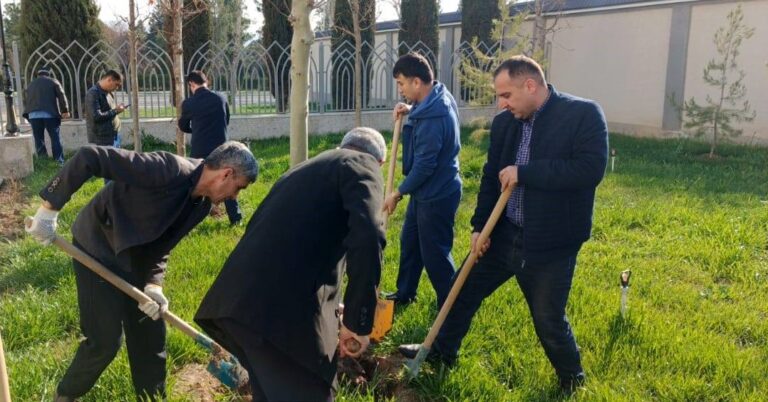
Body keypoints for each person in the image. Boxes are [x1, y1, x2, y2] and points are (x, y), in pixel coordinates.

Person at [397, 55, 609, 394]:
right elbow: (490, 178)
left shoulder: (582, 115)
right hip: (504, 232)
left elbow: (589, 169)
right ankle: (440, 353)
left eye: (506, 95)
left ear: (530, 85)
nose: (502, 103)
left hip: (550, 243)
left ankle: (572, 379)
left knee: (548, 319)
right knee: (460, 291)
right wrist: (480, 227)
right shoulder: (506, 123)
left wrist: (524, 173)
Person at [25, 141, 258, 402]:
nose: (235, 197)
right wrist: (48, 210)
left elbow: (163, 244)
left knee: (151, 337)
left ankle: (152, 399)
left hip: (136, 258)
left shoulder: (201, 206)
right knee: (104, 342)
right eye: (239, 188)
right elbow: (90, 156)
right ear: (226, 174)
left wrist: (154, 286)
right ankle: (65, 395)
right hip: (97, 248)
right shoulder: (167, 170)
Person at [195, 127, 387, 401]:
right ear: (379, 162)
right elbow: (368, 236)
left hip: (238, 307)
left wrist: (336, 307)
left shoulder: (303, 171)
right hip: (277, 319)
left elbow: (301, 244)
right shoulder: (362, 164)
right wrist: (358, 323)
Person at [381, 52, 462, 308]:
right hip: (425, 191)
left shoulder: (434, 118)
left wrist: (398, 192)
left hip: (437, 194)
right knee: (411, 243)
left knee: (435, 253)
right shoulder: (435, 96)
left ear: (417, 82)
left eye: (402, 84)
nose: (400, 90)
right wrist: (410, 108)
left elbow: (425, 166)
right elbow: (422, 108)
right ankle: (405, 292)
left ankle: (450, 306)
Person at [178, 70, 241, 225]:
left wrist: (197, 130)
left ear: (191, 84)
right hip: (222, 147)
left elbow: (183, 126)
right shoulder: (221, 98)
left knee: (197, 183)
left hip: (199, 149)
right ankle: (236, 218)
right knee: (227, 179)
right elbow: (226, 119)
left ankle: (189, 219)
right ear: (207, 81)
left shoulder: (189, 103)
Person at [23, 66, 70, 164]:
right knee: (55, 138)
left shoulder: (30, 85)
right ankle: (59, 161)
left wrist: (28, 114)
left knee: (38, 139)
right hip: (50, 114)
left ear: (38, 74)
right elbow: (62, 95)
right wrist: (65, 110)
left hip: (33, 115)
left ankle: (43, 162)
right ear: (48, 74)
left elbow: (25, 101)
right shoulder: (53, 81)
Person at [84, 69, 126, 148]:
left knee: (116, 159)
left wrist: (117, 109)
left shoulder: (108, 92)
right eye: (116, 84)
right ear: (109, 79)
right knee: (107, 160)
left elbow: (109, 110)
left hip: (114, 134)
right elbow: (96, 116)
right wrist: (116, 110)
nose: (117, 88)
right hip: (102, 138)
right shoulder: (93, 93)